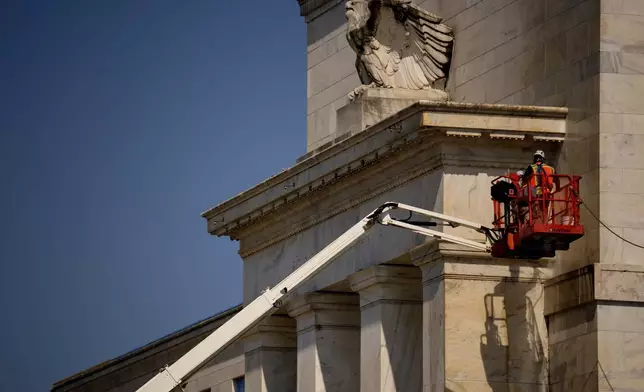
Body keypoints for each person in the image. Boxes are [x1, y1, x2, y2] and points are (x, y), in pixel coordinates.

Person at [521, 150, 556, 223]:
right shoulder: (551, 168)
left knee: (535, 211)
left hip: (534, 193)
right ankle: (544, 223)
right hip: (546, 193)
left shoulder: (531, 167)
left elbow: (524, 178)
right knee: (544, 210)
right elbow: (557, 180)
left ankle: (537, 223)